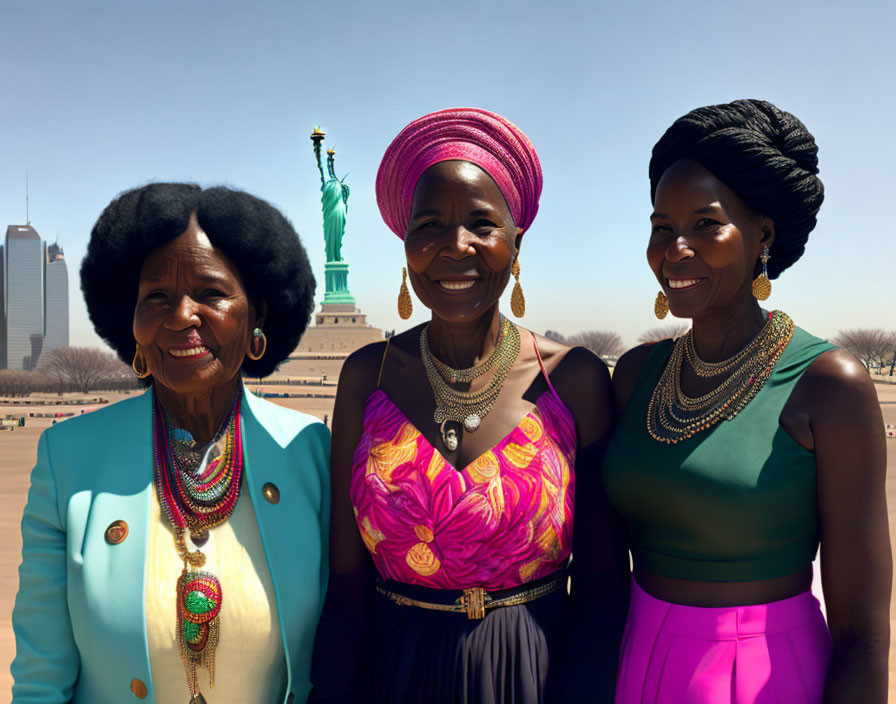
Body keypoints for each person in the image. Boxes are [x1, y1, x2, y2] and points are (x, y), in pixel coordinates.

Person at [309, 108, 627, 703]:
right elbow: (347, 583)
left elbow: (603, 583)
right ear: (406, 245)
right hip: (392, 673)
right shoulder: (366, 378)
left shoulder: (574, 380)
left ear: (516, 241)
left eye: (482, 224)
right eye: (429, 225)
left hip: (532, 673)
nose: (456, 248)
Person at [604, 99, 891, 703]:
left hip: (761, 677)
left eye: (706, 224)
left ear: (763, 235)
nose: (675, 247)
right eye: (661, 227)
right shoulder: (634, 376)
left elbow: (863, 635)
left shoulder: (828, 384)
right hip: (634, 664)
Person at [11, 183, 329, 704]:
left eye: (210, 293)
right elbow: (41, 679)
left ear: (257, 317)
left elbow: (336, 650)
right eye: (157, 297)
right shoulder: (66, 459)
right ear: (131, 321)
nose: (181, 316)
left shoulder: (308, 452)